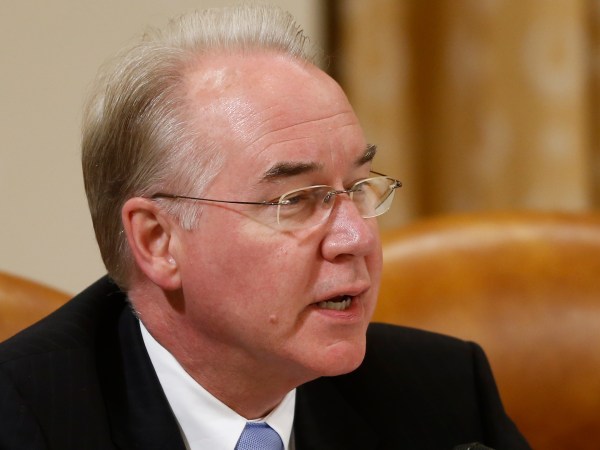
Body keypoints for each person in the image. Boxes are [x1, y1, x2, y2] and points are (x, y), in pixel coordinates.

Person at [0, 5, 530, 450]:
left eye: (358, 187)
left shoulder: (443, 396)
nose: (357, 237)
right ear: (158, 241)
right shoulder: (24, 420)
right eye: (295, 200)